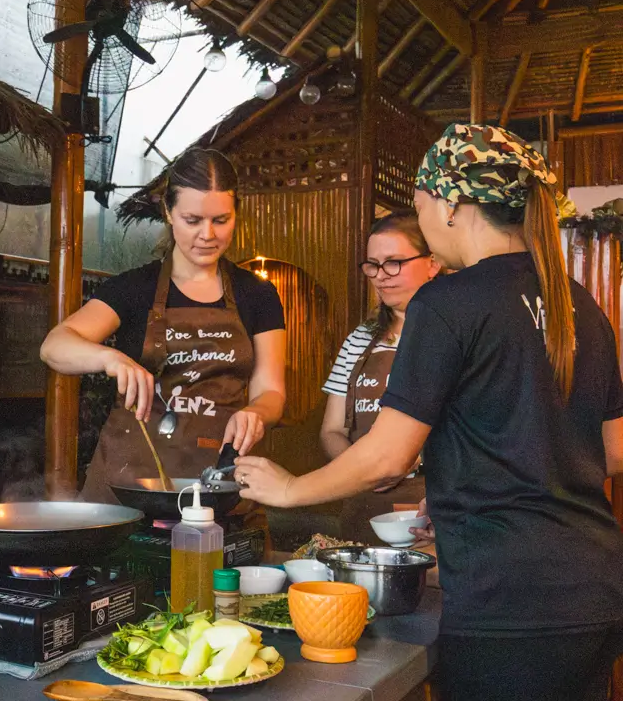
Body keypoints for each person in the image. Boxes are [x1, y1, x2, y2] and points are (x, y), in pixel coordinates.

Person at [233, 124, 623, 701]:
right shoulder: (577, 302)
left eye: (419, 205)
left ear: (451, 204)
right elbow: (611, 450)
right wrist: (465, 484)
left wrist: (289, 488)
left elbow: (388, 453)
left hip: (505, 599)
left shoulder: (445, 301)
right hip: (596, 586)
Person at [40, 148, 286, 539]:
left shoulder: (258, 296)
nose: (208, 235)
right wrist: (110, 358)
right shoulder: (135, 288)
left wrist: (257, 412)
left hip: (219, 494)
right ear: (169, 213)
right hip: (126, 496)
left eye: (221, 220)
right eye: (193, 220)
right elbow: (55, 345)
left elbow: (271, 388)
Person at [319, 211, 438, 543]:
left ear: (433, 263)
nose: (381, 275)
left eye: (394, 262)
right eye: (372, 264)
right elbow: (331, 430)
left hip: (428, 514)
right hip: (361, 508)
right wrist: (362, 469)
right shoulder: (359, 338)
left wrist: (400, 460)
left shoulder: (451, 337)